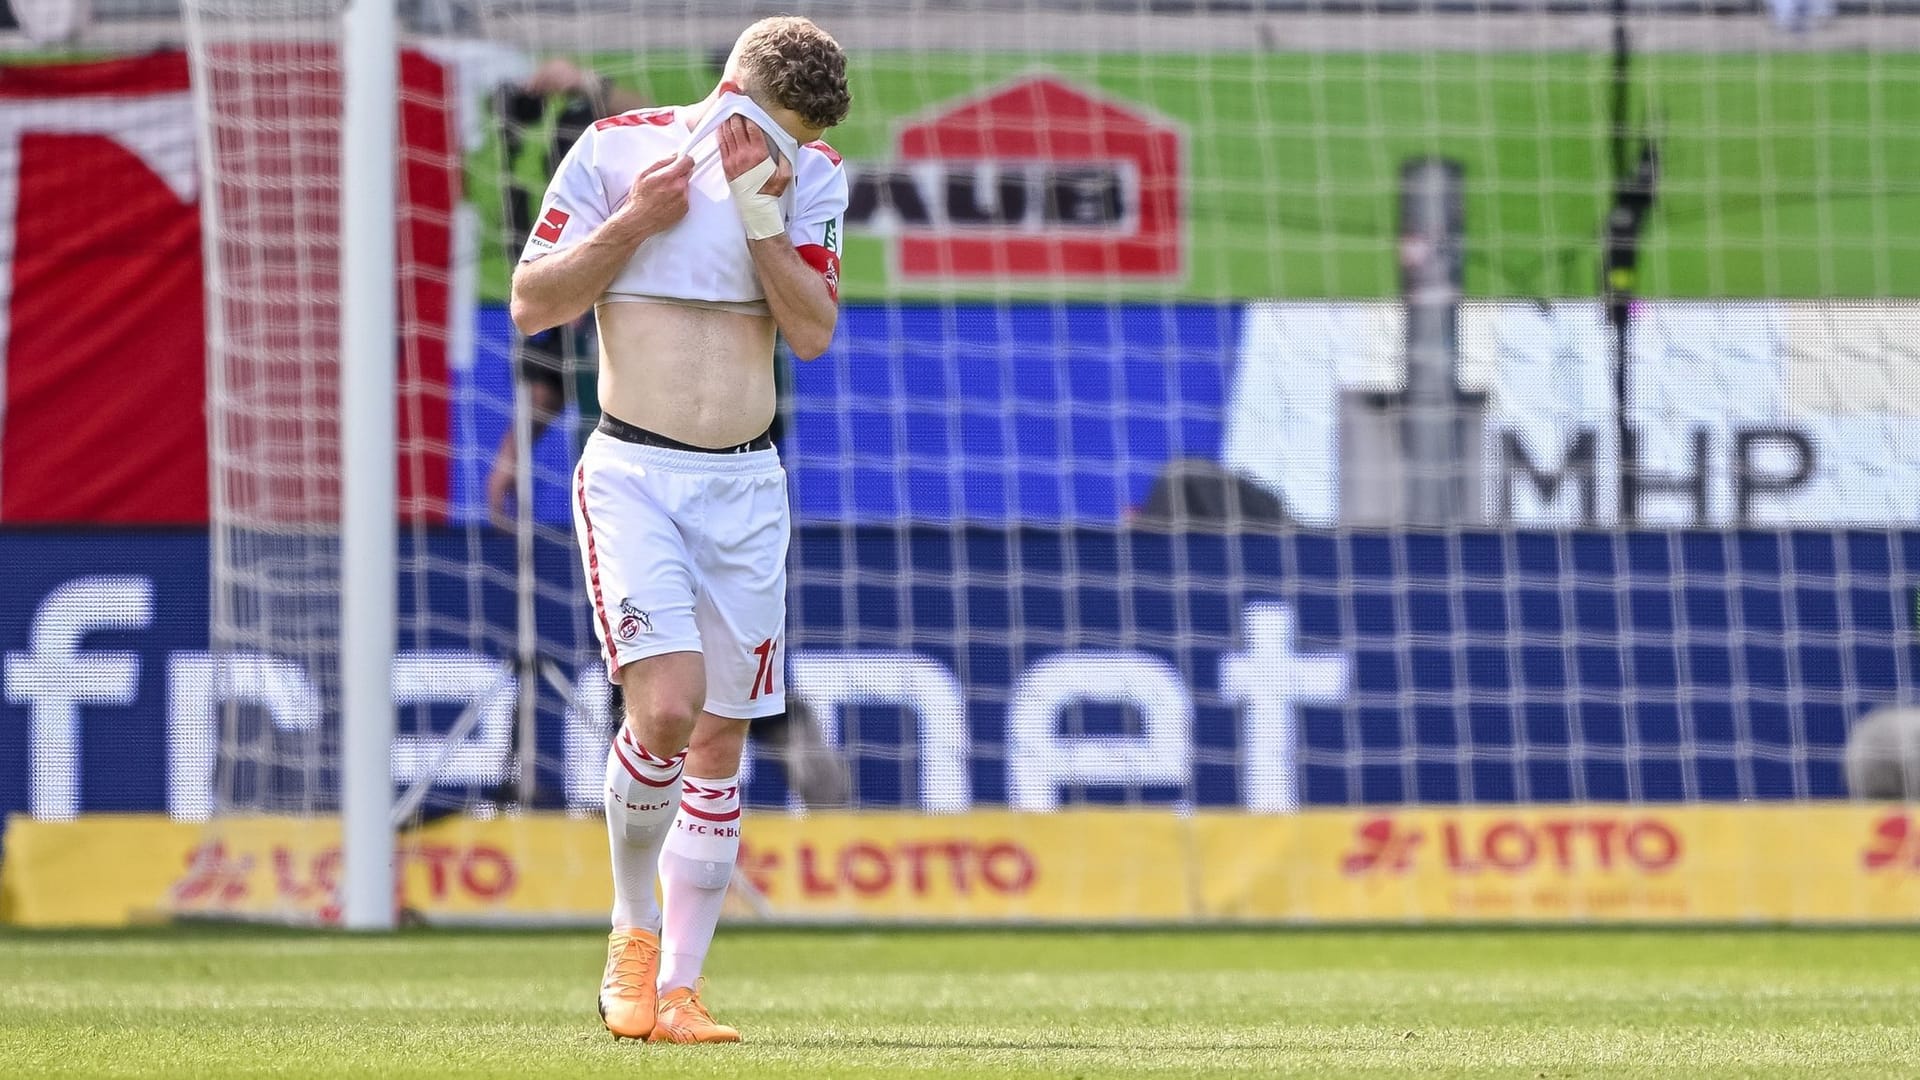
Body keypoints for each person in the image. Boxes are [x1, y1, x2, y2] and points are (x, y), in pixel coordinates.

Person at [509, 16, 850, 1045]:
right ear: (728, 88)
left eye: (791, 138)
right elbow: (533, 303)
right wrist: (634, 227)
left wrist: (760, 216)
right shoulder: (617, 151)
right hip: (636, 472)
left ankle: (682, 991)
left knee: (720, 736)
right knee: (664, 706)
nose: (776, 149)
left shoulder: (812, 176)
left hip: (746, 486)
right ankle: (631, 931)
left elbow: (813, 332)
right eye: (765, 127)